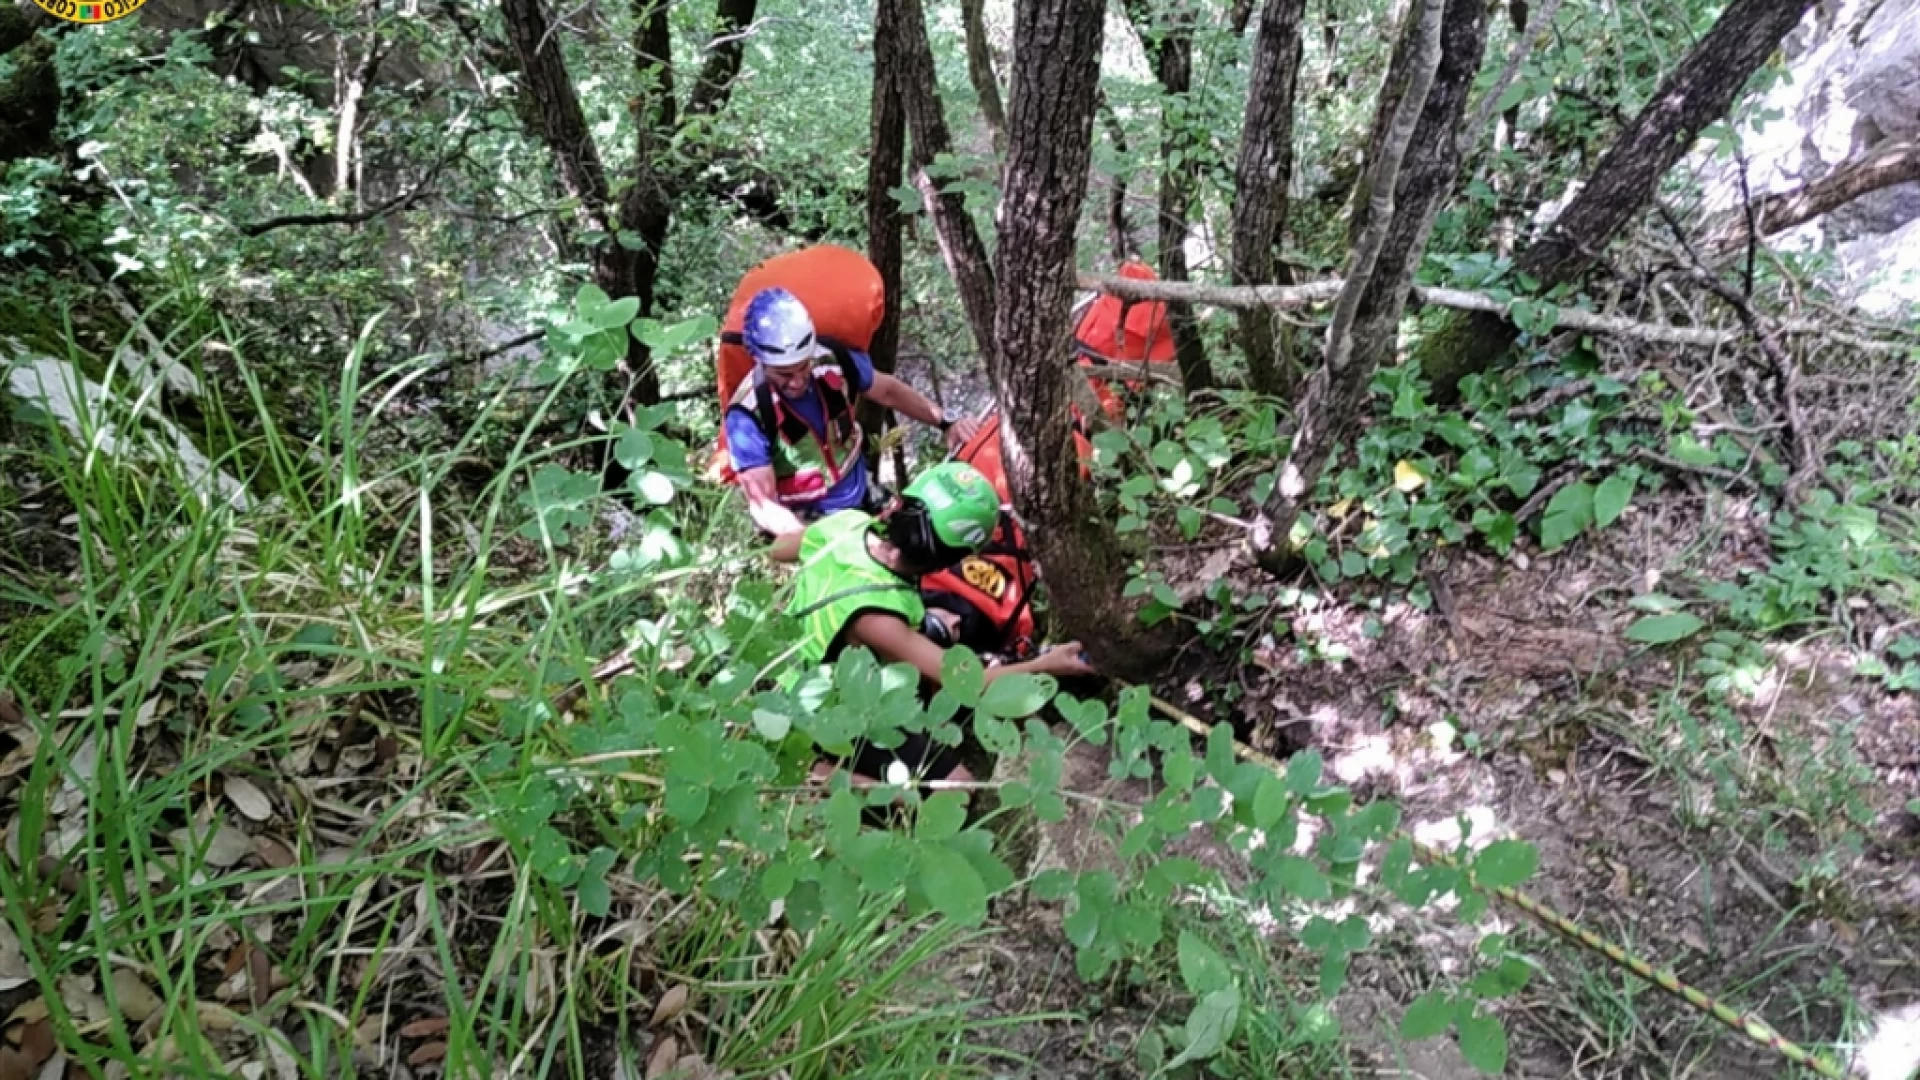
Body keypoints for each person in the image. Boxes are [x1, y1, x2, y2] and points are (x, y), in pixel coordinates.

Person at [781, 461, 1094, 786]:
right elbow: (972, 682)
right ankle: (816, 774)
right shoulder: (878, 617)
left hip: (794, 659)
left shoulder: (848, 524)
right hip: (823, 707)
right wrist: (1047, 665)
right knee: (956, 789)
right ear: (946, 560)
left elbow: (778, 550)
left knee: (939, 631)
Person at [725, 288, 983, 556]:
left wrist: (946, 423)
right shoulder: (747, 415)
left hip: (862, 491)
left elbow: (888, 391)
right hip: (811, 519)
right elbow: (763, 504)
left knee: (913, 552)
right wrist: (818, 541)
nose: (798, 381)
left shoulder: (833, 359)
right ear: (760, 361)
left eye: (803, 366)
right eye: (784, 374)